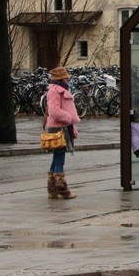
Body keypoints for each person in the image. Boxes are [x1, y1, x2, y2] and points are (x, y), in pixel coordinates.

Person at [45, 66, 80, 199]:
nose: (68, 79)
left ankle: (52, 189)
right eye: (66, 77)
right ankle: (62, 188)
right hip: (59, 128)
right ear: (61, 78)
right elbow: (54, 111)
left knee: (56, 158)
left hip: (64, 127)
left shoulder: (60, 90)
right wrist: (68, 118)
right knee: (60, 158)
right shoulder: (55, 91)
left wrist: (73, 127)